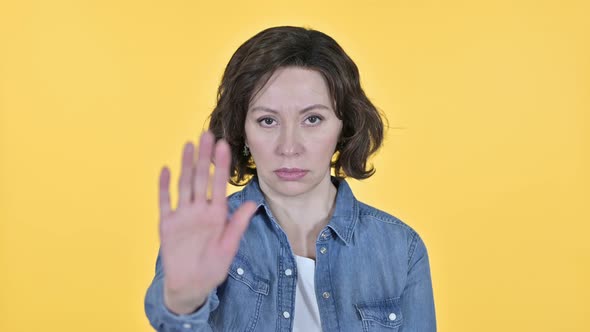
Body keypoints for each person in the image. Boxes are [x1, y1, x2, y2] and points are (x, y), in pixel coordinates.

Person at [144, 26, 436, 332]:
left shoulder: (401, 248)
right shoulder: (201, 232)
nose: (289, 147)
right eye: (267, 121)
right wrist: (182, 306)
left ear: (344, 127)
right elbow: (171, 314)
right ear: (242, 131)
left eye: (313, 119)